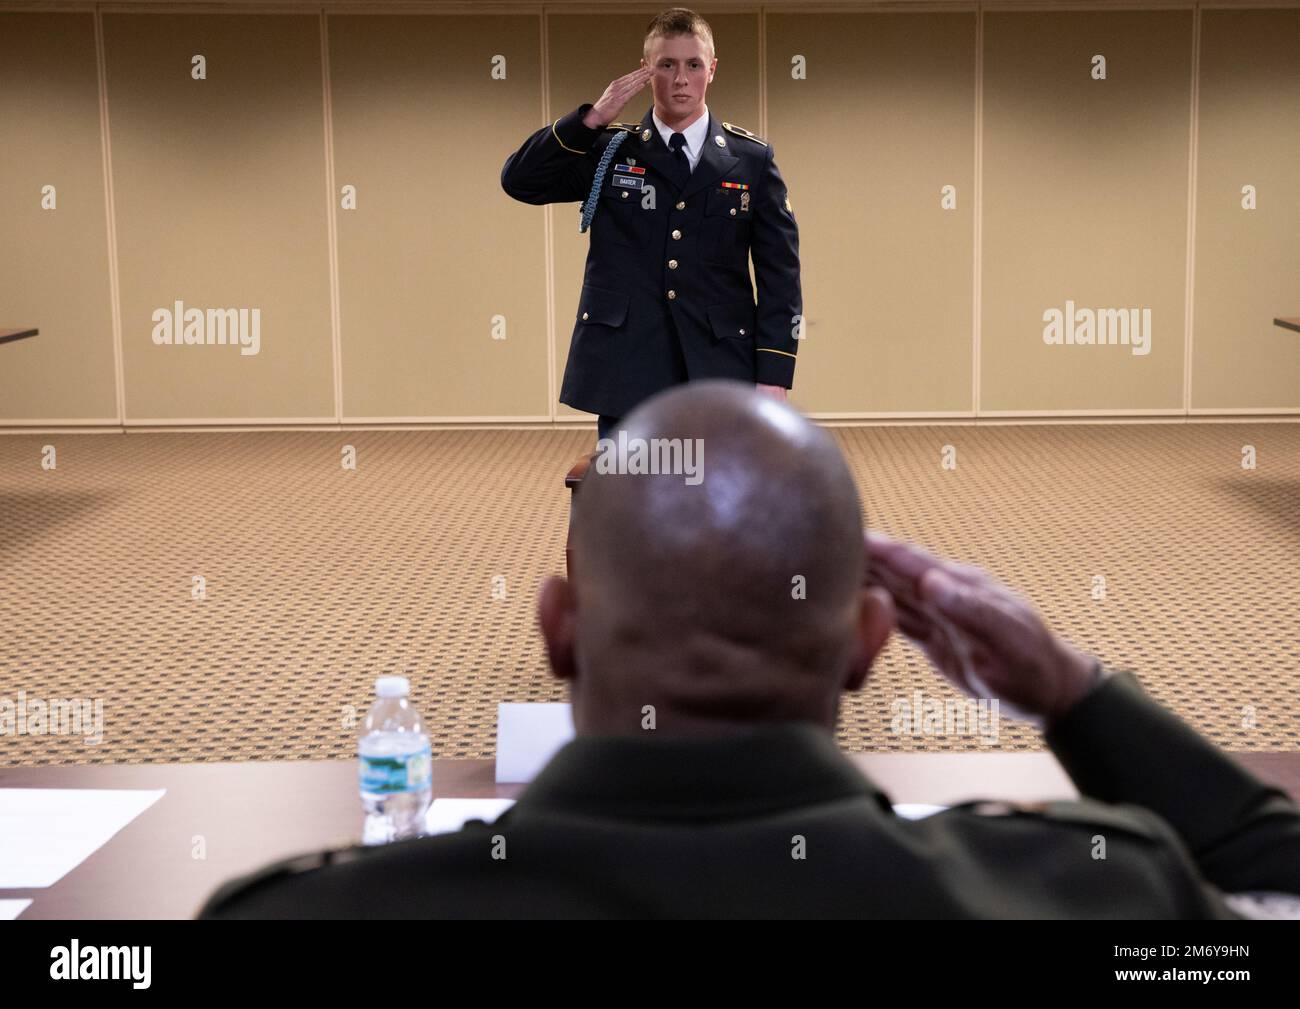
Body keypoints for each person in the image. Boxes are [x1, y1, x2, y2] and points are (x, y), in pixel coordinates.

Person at [200, 380, 1300, 918]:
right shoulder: (1094, 896)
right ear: (873, 643)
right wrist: (1070, 692)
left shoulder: (309, 921)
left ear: (555, 630)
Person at [500, 9, 801, 442]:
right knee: (629, 500)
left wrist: (774, 373)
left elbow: (781, 276)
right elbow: (519, 181)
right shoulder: (611, 151)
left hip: (719, 365)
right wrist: (590, 120)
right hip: (628, 365)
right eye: (667, 64)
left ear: (711, 69)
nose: (681, 79)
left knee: (718, 499)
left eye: (693, 64)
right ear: (646, 70)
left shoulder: (751, 160)